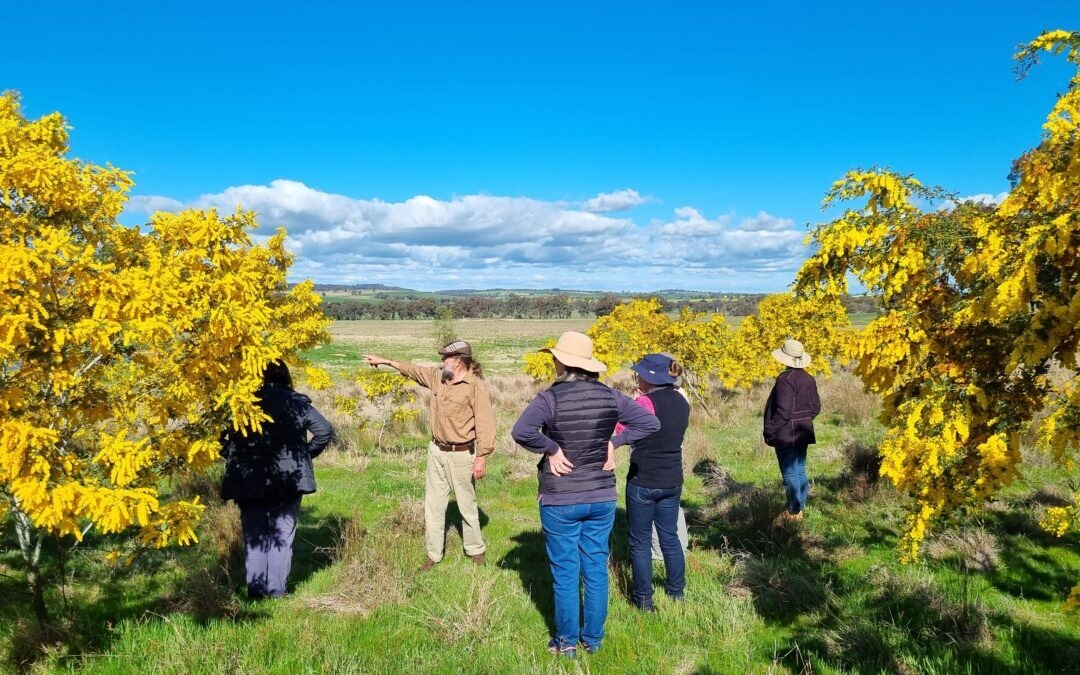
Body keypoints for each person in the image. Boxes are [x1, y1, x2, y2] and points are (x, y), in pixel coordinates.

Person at [511, 332, 659, 658]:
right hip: (602, 496)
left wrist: (550, 448)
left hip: (560, 497)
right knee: (595, 569)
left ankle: (566, 643)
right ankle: (593, 641)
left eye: (555, 357)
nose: (553, 361)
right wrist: (616, 442)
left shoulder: (549, 399)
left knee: (565, 574)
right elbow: (650, 423)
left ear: (563, 362)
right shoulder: (612, 397)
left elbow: (521, 432)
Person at [364, 340, 495, 570]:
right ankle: (433, 554)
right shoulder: (437, 377)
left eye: (445, 358)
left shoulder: (475, 386)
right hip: (436, 451)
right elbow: (413, 369)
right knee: (433, 506)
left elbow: (485, 423)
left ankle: (475, 550)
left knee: (467, 505)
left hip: (462, 454)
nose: (441, 361)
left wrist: (482, 456)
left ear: (458, 362)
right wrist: (385, 361)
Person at [220, 360, 334, 599]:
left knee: (254, 534)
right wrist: (304, 455)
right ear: (285, 376)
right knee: (282, 533)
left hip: (249, 479)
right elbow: (324, 430)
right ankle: (277, 591)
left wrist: (235, 457)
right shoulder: (296, 403)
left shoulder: (241, 404)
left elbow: (221, 440)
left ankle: (256, 591)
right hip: (288, 480)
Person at [624, 353, 691, 611]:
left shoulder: (644, 401)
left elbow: (624, 433)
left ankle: (643, 600)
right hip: (672, 478)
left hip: (644, 478)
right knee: (669, 537)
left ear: (649, 377)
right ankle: (677, 593)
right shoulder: (682, 400)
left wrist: (631, 405)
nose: (636, 377)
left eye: (639, 373)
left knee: (640, 542)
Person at [762, 339, 821, 523]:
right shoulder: (809, 378)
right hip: (803, 431)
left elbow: (783, 412)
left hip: (786, 434)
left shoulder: (785, 380)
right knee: (800, 469)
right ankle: (799, 507)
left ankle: (793, 511)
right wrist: (803, 420)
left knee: (789, 472)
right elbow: (815, 408)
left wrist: (769, 430)